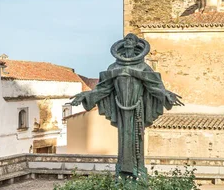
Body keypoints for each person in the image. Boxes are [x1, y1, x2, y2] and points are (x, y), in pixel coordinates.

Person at [71, 33, 182, 178]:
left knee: (137, 139)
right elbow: (103, 88)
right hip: (120, 109)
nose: (128, 41)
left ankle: (138, 171)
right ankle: (123, 171)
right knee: (124, 138)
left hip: (138, 109)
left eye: (131, 39)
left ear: (137, 44)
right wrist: (85, 95)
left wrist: (166, 95)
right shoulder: (113, 67)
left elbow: (154, 86)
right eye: (126, 39)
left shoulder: (143, 67)